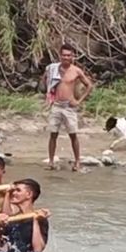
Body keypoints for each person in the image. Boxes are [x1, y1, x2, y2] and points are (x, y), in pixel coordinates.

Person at [41, 43, 94, 172]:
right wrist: (49, 94)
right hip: (56, 105)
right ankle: (51, 162)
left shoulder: (76, 70)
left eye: (68, 55)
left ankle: (77, 162)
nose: (66, 57)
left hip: (69, 107)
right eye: (64, 55)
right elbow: (44, 80)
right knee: (53, 134)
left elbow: (89, 85)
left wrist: (78, 101)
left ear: (72, 57)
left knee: (73, 135)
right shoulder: (53, 68)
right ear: (60, 56)